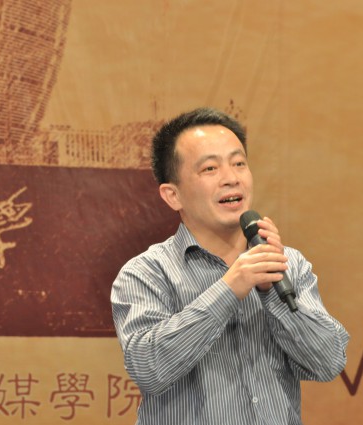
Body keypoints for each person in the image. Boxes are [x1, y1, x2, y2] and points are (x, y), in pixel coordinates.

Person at [111, 107, 350, 425]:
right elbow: (149, 369)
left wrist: (272, 292)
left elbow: (328, 363)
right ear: (172, 195)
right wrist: (230, 288)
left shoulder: (287, 263)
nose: (231, 178)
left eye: (239, 163)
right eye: (210, 168)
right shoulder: (145, 273)